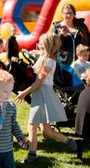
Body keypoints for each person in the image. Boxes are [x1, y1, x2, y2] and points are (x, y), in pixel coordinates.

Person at [14, 32, 82, 163]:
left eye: (42, 43)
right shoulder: (44, 58)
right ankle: (74, 144)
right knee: (46, 130)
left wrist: (24, 93)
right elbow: (34, 73)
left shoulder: (49, 60)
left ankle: (31, 156)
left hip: (43, 93)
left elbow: (39, 81)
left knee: (32, 125)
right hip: (41, 93)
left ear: (49, 45)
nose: (39, 45)